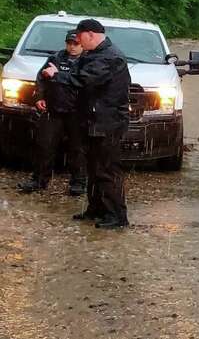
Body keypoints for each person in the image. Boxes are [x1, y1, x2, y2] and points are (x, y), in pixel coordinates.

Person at [41, 19, 131, 229]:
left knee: (106, 170)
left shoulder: (110, 57)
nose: (78, 43)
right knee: (93, 168)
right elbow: (79, 77)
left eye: (80, 38)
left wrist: (57, 75)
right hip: (92, 120)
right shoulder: (95, 54)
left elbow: (83, 80)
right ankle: (96, 209)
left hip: (108, 122)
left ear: (90, 35)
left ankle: (117, 215)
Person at [17, 30, 87, 196]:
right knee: (44, 145)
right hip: (54, 109)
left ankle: (78, 183)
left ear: (83, 45)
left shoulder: (88, 62)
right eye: (69, 43)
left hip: (77, 112)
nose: (72, 47)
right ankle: (38, 180)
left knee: (78, 149)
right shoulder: (55, 58)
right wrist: (39, 97)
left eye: (76, 44)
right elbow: (41, 78)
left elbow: (87, 83)